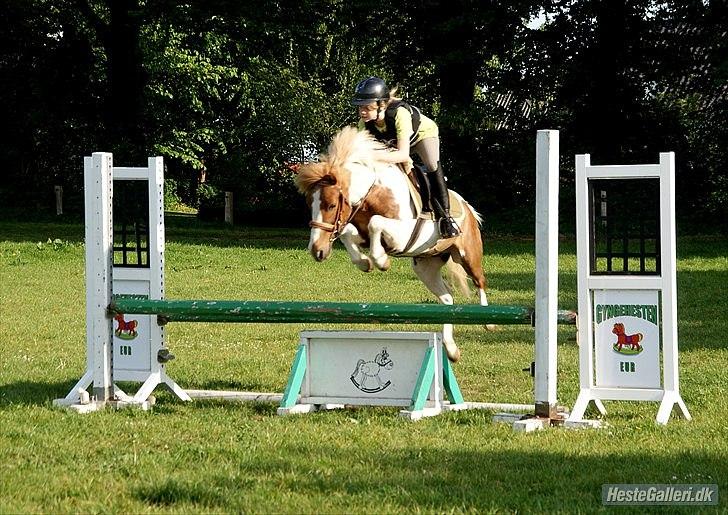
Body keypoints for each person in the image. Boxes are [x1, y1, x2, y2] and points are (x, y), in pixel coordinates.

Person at [351, 76, 460, 238]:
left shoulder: (399, 113)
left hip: (422, 136)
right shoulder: (364, 123)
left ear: (381, 104)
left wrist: (373, 155)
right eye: (360, 107)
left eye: (367, 107)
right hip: (393, 141)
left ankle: (446, 218)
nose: (362, 112)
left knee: (431, 165)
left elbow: (402, 154)